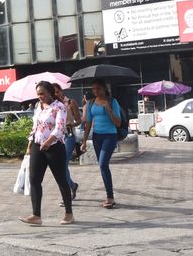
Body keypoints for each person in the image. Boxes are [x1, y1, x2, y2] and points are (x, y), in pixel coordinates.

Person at [20, 81, 73, 226]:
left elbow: (60, 128)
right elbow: (35, 126)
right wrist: (30, 144)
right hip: (38, 145)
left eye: (42, 94)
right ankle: (36, 215)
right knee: (34, 179)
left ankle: (69, 213)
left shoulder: (59, 107)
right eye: (38, 94)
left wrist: (49, 142)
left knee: (61, 180)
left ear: (50, 92)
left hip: (55, 147)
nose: (40, 97)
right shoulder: (38, 106)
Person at [83, 79, 122, 209]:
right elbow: (88, 123)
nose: (96, 91)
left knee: (103, 163)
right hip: (96, 136)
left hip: (110, 136)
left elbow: (118, 123)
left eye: (98, 88)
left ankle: (110, 197)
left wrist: (109, 109)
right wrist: (83, 141)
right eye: (93, 89)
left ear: (105, 89)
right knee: (102, 167)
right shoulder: (91, 103)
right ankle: (109, 196)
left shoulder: (112, 101)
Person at [52, 82, 82, 203]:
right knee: (59, 166)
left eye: (57, 91)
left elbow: (79, 120)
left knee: (63, 164)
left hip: (68, 135)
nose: (56, 94)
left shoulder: (70, 103)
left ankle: (67, 195)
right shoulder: (53, 105)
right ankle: (72, 185)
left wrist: (71, 124)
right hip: (56, 137)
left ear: (61, 91)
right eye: (53, 92)